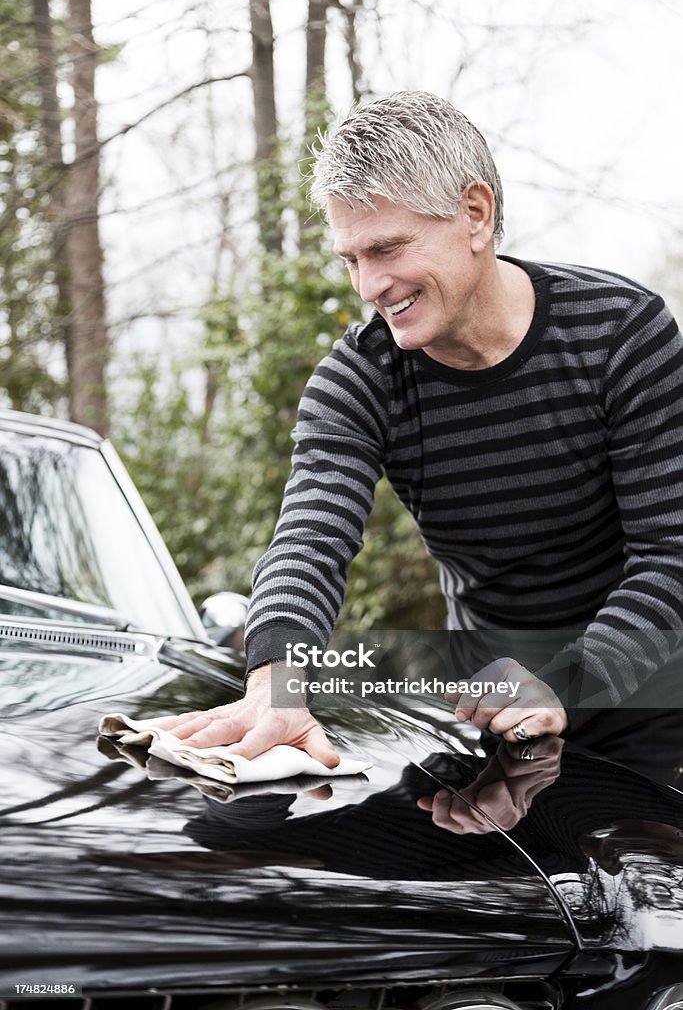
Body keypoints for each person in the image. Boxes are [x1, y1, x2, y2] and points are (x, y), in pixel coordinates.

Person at [162, 91, 683, 786]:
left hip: (650, 713)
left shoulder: (621, 333)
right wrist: (274, 685)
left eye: (387, 248)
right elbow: (310, 536)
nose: (370, 285)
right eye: (351, 258)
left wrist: (566, 681)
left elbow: (669, 553)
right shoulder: (358, 380)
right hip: (484, 714)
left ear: (475, 213)